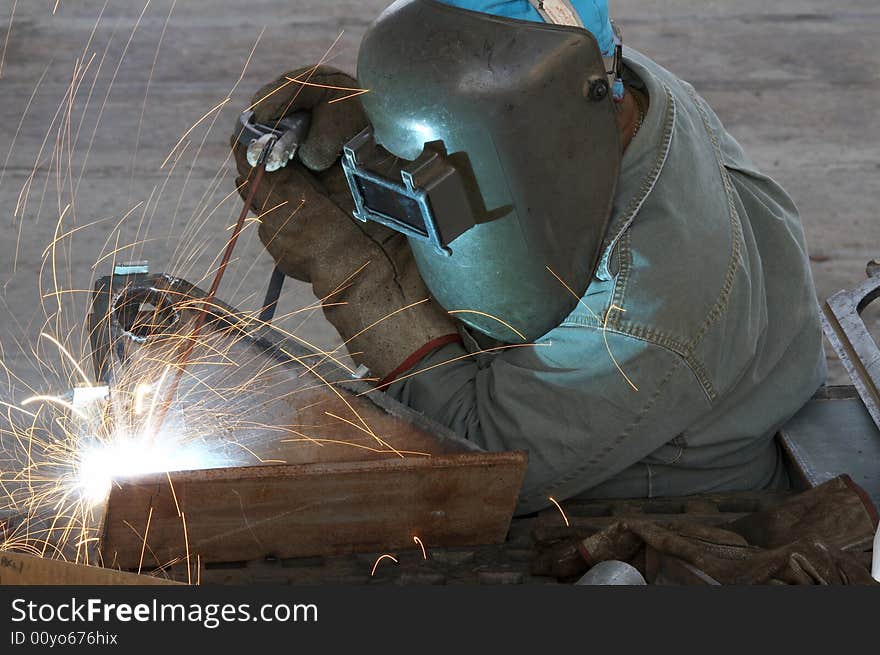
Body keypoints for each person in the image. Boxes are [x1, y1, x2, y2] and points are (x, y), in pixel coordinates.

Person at [231, 0, 826, 514]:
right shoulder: (612, 82)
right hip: (650, 383)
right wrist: (387, 131)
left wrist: (353, 272)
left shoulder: (636, 305)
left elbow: (476, 465)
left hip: (659, 492)